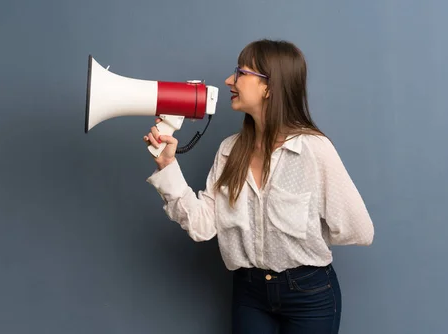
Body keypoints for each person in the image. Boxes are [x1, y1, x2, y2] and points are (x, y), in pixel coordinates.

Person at [143, 39, 374, 334]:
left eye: (241, 73)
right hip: (250, 294)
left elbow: (359, 229)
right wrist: (167, 167)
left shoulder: (314, 150)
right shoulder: (230, 150)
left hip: (310, 295)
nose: (229, 80)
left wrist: (307, 238)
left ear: (269, 87)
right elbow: (202, 226)